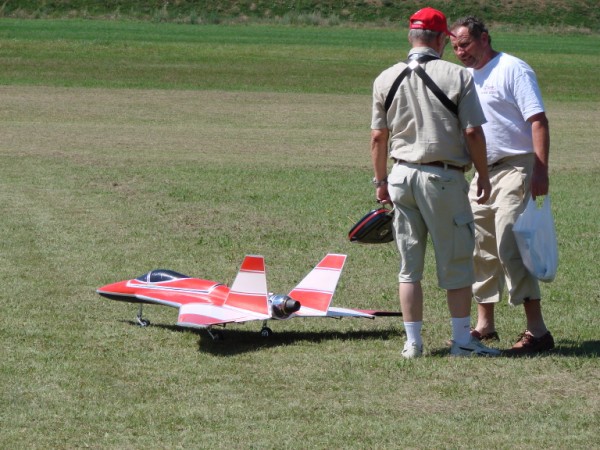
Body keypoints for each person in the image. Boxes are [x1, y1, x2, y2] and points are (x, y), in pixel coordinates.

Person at [371, 7, 500, 358]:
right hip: (442, 177)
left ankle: (412, 343)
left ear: (411, 37)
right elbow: (472, 131)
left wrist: (380, 180)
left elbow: (378, 137)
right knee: (456, 263)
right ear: (442, 39)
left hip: (400, 175)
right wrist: (484, 176)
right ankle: (461, 340)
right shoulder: (458, 76)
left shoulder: (385, 78)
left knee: (408, 267)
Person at [450, 17, 554, 355]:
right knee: (479, 245)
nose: (460, 52)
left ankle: (537, 331)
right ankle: (485, 326)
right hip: (482, 172)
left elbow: (537, 120)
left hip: (516, 166)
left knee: (510, 240)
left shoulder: (513, 69)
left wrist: (540, 169)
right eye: (454, 46)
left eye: (465, 44)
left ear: (484, 38)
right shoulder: (465, 77)